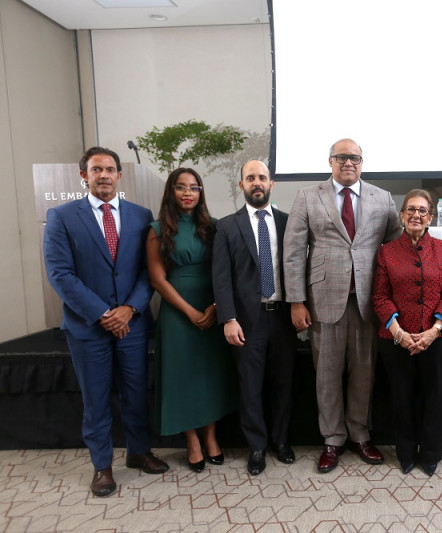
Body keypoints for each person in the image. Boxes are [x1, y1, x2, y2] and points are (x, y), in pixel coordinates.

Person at [43, 146, 169, 498]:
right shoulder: (62, 216)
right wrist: (103, 314)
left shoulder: (141, 215)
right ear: (83, 175)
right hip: (88, 328)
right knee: (96, 399)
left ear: (119, 175)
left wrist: (130, 309)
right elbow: (61, 275)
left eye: (110, 169)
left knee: (135, 393)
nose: (104, 175)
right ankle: (102, 466)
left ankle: (139, 451)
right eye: (96, 169)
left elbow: (149, 272)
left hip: (133, 324)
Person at [284, 138, 402, 473]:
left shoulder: (382, 199)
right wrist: (296, 301)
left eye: (354, 158)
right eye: (341, 157)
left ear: (362, 162)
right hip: (324, 300)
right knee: (327, 375)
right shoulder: (308, 196)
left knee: (364, 372)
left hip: (369, 301)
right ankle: (332, 439)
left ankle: (360, 435)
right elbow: (293, 253)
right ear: (330, 161)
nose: (348, 163)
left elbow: (394, 249)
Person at [146, 168, 238, 473]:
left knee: (209, 376)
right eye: (181, 187)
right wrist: (190, 312)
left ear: (201, 193)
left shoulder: (214, 227)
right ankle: (192, 440)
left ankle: (211, 437)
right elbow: (158, 280)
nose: (188, 193)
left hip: (213, 310)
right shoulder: (157, 229)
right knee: (181, 377)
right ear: (171, 191)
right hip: (177, 313)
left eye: (194, 187)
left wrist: (214, 308)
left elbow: (225, 272)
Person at [212, 160, 297, 476]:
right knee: (250, 386)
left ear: (271, 184)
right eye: (250, 178)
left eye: (262, 177)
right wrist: (228, 318)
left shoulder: (289, 223)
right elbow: (220, 278)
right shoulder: (227, 226)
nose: (257, 182)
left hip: (284, 318)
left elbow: (298, 269)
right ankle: (257, 447)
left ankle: (282, 441)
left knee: (284, 383)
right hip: (246, 320)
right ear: (242, 186)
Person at [373, 190, 442, 476]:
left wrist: (433, 331)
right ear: (401, 215)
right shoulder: (386, 251)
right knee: (402, 397)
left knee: (433, 398)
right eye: (411, 210)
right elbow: (380, 297)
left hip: (436, 338)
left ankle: (432, 452)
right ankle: (406, 452)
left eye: (423, 211)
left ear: (430, 217)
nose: (416, 215)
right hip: (397, 340)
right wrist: (399, 332)